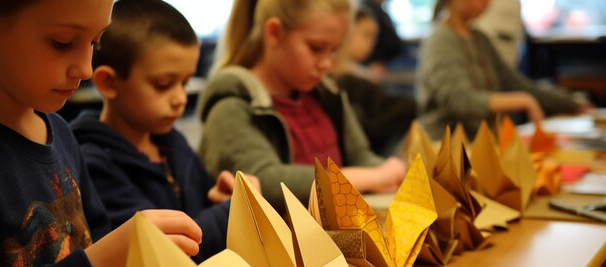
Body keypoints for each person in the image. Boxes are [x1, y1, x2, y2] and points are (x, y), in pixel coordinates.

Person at [0, 0, 201, 267]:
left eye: (96, 43)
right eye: (63, 42)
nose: (85, 68)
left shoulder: (62, 135)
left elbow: (99, 245)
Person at [71, 0, 253, 263]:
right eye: (163, 84)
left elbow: (202, 212)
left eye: (185, 83)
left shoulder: (173, 143)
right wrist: (236, 209)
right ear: (109, 83)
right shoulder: (94, 163)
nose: (180, 98)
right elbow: (166, 252)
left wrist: (223, 194)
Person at [199, 0, 405, 212]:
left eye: (334, 50)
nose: (327, 63)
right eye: (316, 48)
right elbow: (265, 181)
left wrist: (389, 173)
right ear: (274, 33)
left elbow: (361, 157)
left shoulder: (326, 95)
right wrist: (376, 176)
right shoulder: (230, 107)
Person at [416, 0, 590, 141]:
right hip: (444, 152)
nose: (486, 3)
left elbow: (517, 84)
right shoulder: (440, 39)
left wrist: (573, 102)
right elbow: (462, 101)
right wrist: (524, 100)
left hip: (480, 147)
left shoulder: (479, 39)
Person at [332, 4, 416, 157]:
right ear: (348, 33)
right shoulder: (347, 82)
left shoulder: (359, 74)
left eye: (374, 37)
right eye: (366, 35)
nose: (372, 43)